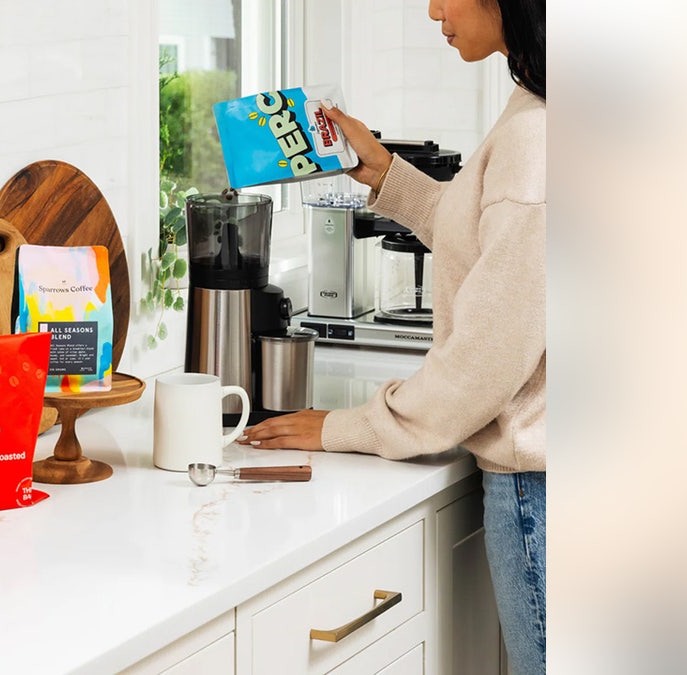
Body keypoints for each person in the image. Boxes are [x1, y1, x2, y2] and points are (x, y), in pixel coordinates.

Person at [242, 0, 546, 672]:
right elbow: (491, 239)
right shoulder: (544, 109)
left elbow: (481, 366)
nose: (433, 8)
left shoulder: (537, 137)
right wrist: (384, 172)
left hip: (541, 499)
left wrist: (346, 426)